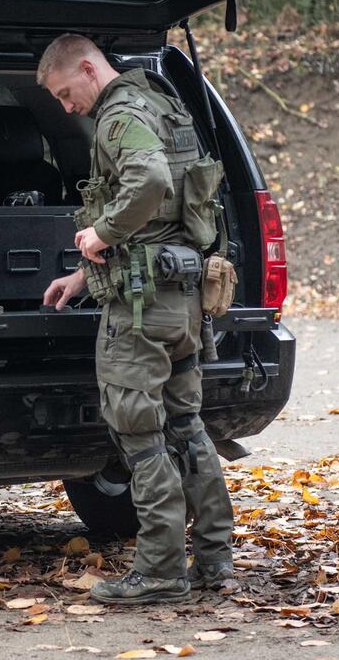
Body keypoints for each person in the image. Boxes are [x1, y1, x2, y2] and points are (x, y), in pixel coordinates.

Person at [39, 34, 235, 605]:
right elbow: (169, 213)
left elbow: (149, 182)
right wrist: (84, 274)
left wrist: (101, 232)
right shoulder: (164, 101)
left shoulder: (119, 115)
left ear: (85, 67)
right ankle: (214, 559)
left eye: (64, 92)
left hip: (142, 309)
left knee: (141, 436)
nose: (66, 106)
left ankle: (159, 571)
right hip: (182, 299)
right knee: (187, 427)